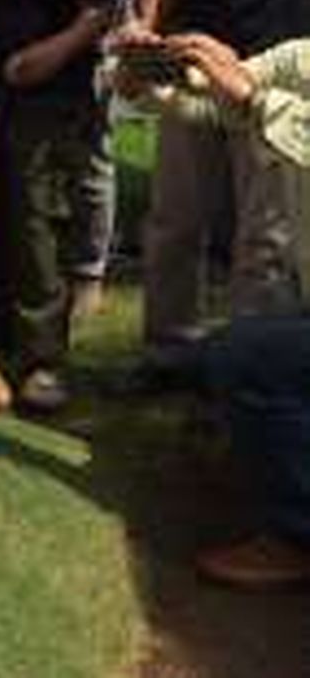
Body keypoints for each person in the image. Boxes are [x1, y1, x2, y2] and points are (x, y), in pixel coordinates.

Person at [115, 32, 310, 588]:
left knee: (246, 358)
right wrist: (155, 77)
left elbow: (252, 99)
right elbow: (214, 100)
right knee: (213, 363)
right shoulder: (302, 55)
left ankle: (296, 539)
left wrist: (250, 96)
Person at [0, 0, 131, 411]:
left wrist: (50, 55)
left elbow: (105, 7)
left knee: (37, 221)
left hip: (54, 93)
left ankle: (42, 360)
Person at [139, 0, 310, 382]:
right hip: (197, 51)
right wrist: (155, 25)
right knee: (175, 219)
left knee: (266, 239)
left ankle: (247, 373)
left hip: (279, 61)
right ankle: (168, 354)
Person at [70, 0, 167, 319]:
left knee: (92, 148)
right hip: (37, 7)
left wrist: (145, 21)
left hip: (107, 12)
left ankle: (88, 274)